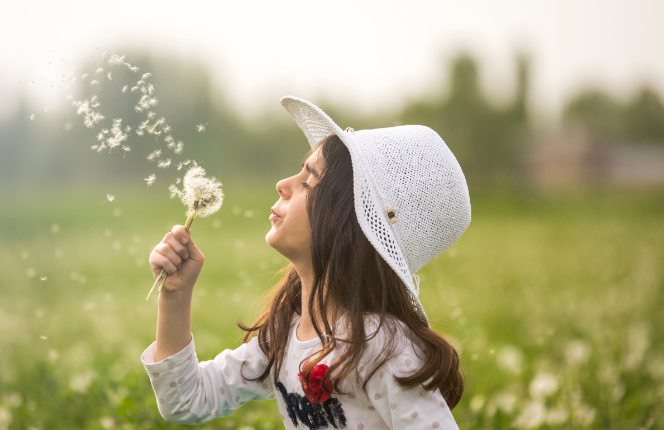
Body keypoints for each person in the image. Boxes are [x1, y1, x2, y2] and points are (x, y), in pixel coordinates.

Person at [141, 96, 472, 429]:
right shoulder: (284, 336)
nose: (282, 185)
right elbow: (185, 400)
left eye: (309, 180)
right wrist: (175, 295)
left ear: (347, 225)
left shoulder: (382, 345)